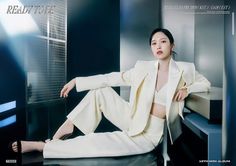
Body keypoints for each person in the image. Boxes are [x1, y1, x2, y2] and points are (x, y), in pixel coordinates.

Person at [12, 28, 210, 158]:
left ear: (172, 45)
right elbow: (111, 77)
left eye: (163, 41)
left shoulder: (186, 69)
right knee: (102, 91)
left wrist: (187, 89)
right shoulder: (143, 68)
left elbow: (205, 84)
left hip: (149, 134)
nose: (158, 46)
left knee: (96, 143)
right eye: (154, 43)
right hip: (133, 117)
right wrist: (77, 81)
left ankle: (42, 146)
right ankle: (69, 125)